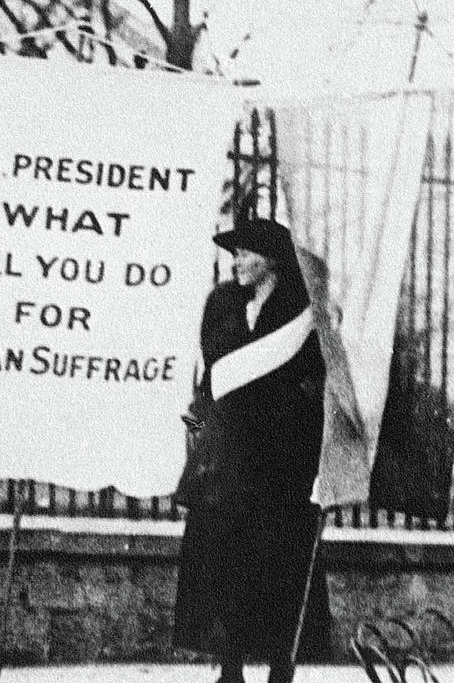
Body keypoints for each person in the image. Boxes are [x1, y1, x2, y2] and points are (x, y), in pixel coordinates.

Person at [172, 216, 331, 683]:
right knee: (226, 561)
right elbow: (213, 371)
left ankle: (282, 666)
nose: (236, 262)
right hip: (231, 454)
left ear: (273, 259)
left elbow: (318, 376)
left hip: (284, 456)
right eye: (234, 254)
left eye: (246, 253)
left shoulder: (303, 306)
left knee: (281, 562)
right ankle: (230, 665)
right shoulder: (221, 302)